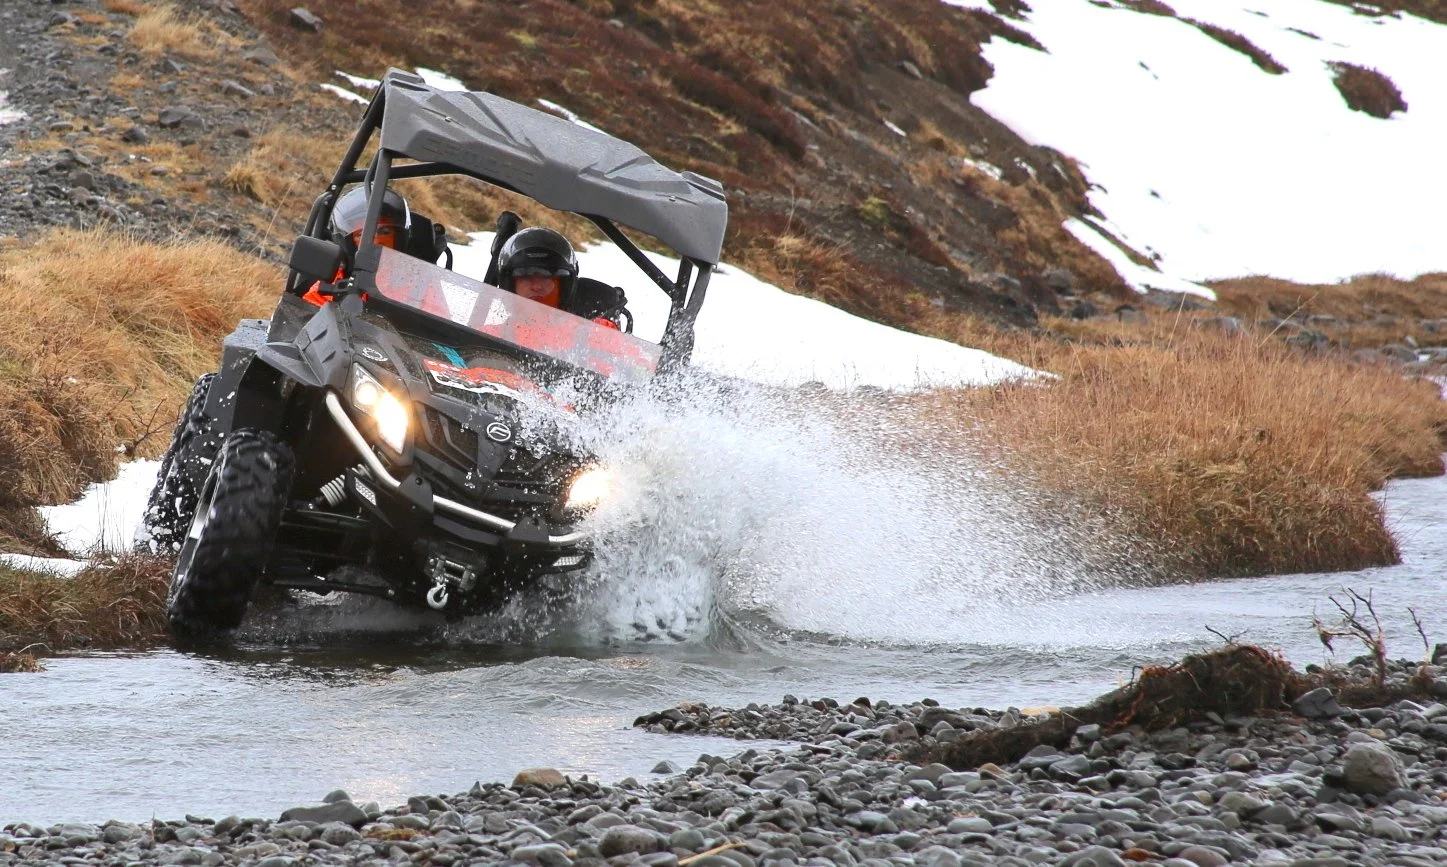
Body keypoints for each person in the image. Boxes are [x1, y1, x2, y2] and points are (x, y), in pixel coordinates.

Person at [496, 225, 631, 330]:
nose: (537, 286)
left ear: (565, 287)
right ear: (509, 285)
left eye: (547, 277)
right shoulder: (487, 337)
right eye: (524, 276)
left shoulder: (592, 340)